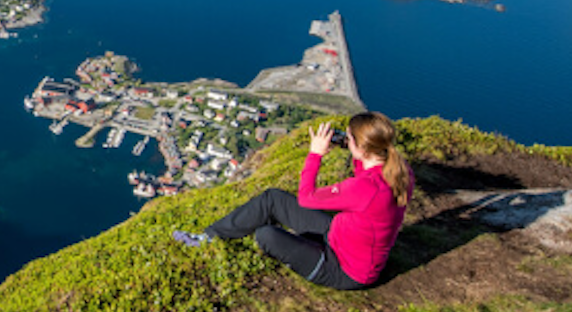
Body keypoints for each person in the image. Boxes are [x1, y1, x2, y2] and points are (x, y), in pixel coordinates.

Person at [172, 112, 412, 290]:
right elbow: (365, 173)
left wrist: (315, 155)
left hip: (344, 270)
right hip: (342, 240)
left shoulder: (365, 189)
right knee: (273, 198)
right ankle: (210, 237)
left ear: (362, 148)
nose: (346, 142)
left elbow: (307, 198)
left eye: (349, 139)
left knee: (266, 235)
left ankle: (287, 248)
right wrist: (351, 149)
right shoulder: (399, 171)